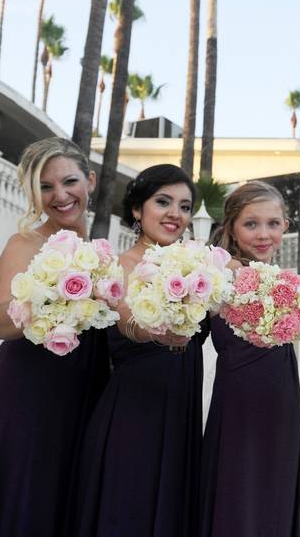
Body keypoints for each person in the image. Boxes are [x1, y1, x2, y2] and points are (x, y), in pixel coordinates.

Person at [0, 137, 110, 536]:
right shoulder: (26, 243)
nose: (60, 196)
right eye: (45, 187)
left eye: (69, 182)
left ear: (91, 181)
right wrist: (57, 295)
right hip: (24, 400)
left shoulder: (101, 254)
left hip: (80, 401)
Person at [73, 164, 204, 536]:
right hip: (134, 408)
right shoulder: (117, 266)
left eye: (183, 205)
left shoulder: (197, 268)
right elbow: (125, 322)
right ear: (136, 209)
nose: (174, 214)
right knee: (128, 505)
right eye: (163, 202)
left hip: (182, 406)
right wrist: (155, 333)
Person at [199, 181, 300, 537]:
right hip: (238, 405)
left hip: (284, 400)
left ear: (285, 226)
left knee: (276, 491)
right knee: (239, 493)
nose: (264, 234)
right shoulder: (220, 273)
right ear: (231, 227)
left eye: (273, 223)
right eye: (251, 224)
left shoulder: (285, 280)